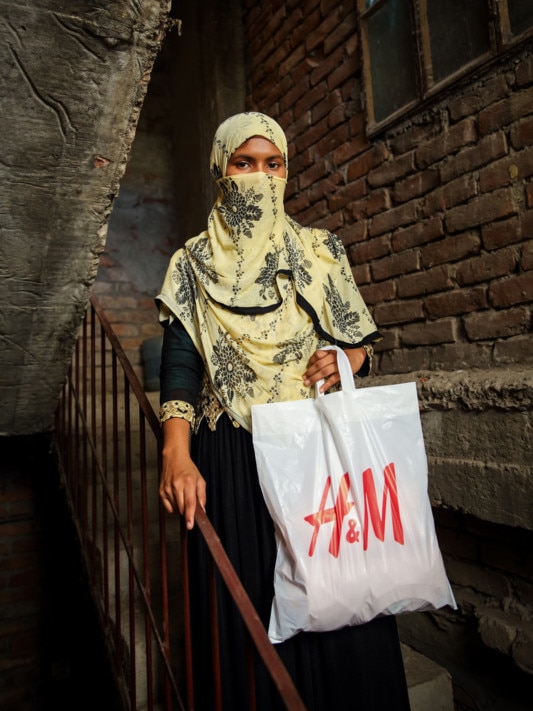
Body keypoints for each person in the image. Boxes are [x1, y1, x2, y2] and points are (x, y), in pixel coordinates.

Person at [156, 112, 411, 710]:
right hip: (235, 461)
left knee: (344, 603)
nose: (260, 177)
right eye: (244, 163)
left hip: (316, 451)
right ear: (221, 170)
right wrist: (175, 453)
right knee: (253, 622)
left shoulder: (320, 250)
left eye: (273, 165)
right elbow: (181, 370)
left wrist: (345, 360)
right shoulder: (190, 264)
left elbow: (356, 344)